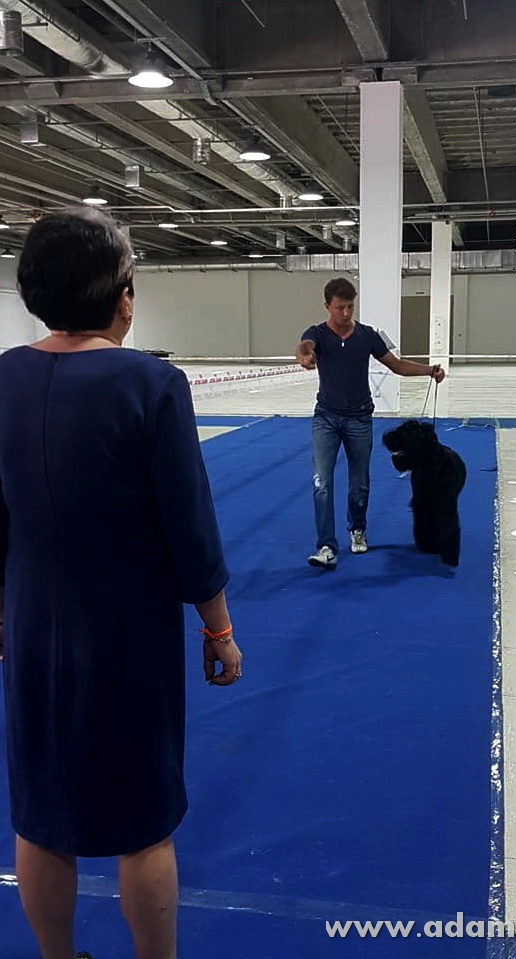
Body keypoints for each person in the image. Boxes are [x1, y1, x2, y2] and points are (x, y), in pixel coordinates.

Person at [0, 207, 242, 959]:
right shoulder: (151, 383)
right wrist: (218, 626)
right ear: (122, 297)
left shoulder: (2, 377)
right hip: (126, 634)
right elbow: (189, 525)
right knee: (144, 824)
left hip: (31, 627)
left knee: (42, 816)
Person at [296, 276, 446, 569]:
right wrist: (305, 355)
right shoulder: (316, 334)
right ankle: (326, 546)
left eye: (350, 307)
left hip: (359, 418)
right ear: (327, 306)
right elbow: (305, 346)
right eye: (339, 307)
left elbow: (397, 365)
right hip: (326, 417)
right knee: (321, 482)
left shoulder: (367, 335)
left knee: (359, 484)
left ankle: (358, 528)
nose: (346, 313)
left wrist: (429, 370)